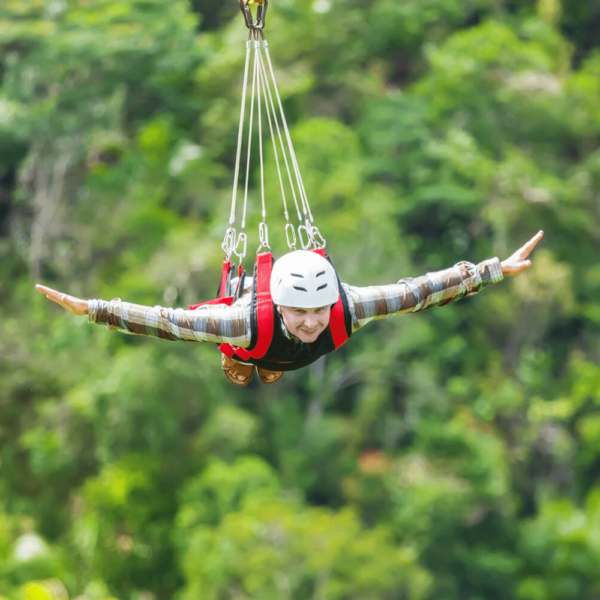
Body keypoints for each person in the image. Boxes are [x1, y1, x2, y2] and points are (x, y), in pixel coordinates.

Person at [35, 231, 544, 386]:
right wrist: (95, 309)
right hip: (251, 342)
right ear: (279, 306)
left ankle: (264, 366)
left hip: (275, 350)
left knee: (280, 359)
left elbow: (420, 291)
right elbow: (170, 322)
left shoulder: (348, 307)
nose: (311, 321)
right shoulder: (241, 319)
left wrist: (494, 268)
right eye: (299, 314)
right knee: (246, 360)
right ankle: (243, 362)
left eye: (318, 311)